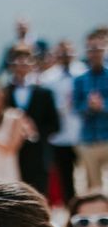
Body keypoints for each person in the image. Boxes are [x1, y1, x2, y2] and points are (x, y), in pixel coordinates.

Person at [4, 44, 60, 196]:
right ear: (11, 65)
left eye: (25, 62)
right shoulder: (4, 92)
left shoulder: (45, 92)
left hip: (39, 153)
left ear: (32, 64)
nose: (21, 67)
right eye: (17, 63)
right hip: (12, 155)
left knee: (40, 194)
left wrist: (34, 131)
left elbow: (54, 125)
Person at [40, 40, 87, 204]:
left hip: (83, 134)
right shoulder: (48, 78)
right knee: (66, 177)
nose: (66, 56)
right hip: (59, 137)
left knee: (87, 175)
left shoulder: (84, 73)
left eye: (68, 52)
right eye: (62, 53)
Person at [74, 30, 108, 191]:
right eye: (91, 49)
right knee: (94, 187)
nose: (95, 53)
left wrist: (102, 106)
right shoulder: (80, 80)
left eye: (99, 49)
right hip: (89, 139)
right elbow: (76, 107)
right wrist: (88, 106)